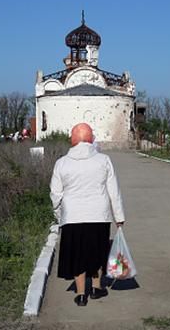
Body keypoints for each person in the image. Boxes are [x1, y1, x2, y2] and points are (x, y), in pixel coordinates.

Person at [50, 123, 125, 307]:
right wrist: (119, 216)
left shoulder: (61, 163)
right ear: (91, 139)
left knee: (77, 254)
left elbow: (55, 193)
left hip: (72, 216)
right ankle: (97, 289)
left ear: (72, 139)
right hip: (99, 215)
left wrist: (60, 215)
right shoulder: (104, 160)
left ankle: (81, 294)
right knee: (97, 252)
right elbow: (113, 191)